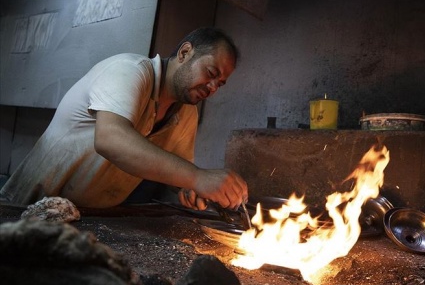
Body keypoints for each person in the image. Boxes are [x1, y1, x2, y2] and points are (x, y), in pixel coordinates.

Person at [0, 27, 248, 210]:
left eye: (221, 83)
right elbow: (110, 139)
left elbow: (178, 172)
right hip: (26, 208)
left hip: (90, 219)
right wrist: (198, 177)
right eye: (211, 72)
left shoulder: (186, 113)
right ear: (184, 52)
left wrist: (190, 189)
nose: (213, 87)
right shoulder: (129, 71)